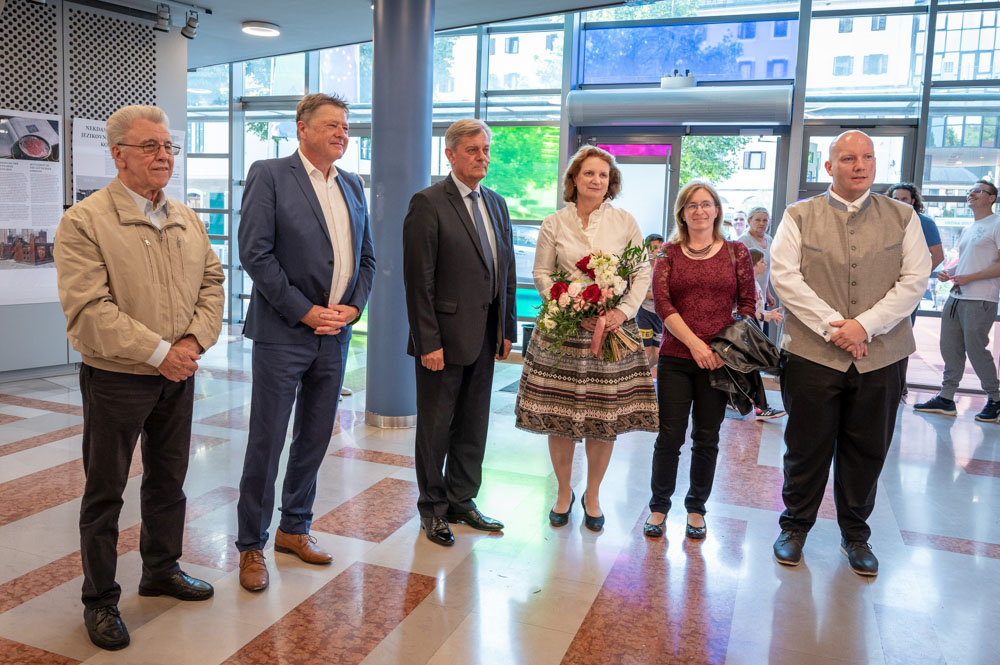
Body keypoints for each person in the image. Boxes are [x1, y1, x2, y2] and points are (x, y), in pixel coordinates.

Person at [53, 105, 224, 651]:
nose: (163, 155)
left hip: (179, 373)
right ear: (118, 154)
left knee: (169, 480)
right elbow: (89, 310)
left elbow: (213, 282)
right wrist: (159, 353)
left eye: (169, 145)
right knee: (105, 492)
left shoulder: (186, 218)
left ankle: (161, 569)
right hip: (117, 378)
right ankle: (100, 600)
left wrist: (192, 343)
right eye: (150, 146)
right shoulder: (84, 222)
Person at [770, 131, 929, 576]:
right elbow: (785, 278)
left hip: (882, 356)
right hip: (812, 354)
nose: (860, 166)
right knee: (805, 447)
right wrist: (835, 327)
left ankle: (855, 535)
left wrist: (866, 325)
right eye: (848, 158)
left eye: (868, 157)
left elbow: (915, 280)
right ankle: (794, 527)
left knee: (868, 448)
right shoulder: (798, 215)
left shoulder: (903, 217)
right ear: (829, 166)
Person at [235, 93, 376, 590]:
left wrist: (352, 309)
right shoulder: (271, 174)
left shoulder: (352, 184)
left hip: (335, 334)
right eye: (332, 125)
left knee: (314, 437)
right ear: (302, 128)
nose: (342, 134)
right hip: (284, 333)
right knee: (268, 440)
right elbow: (255, 253)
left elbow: (367, 258)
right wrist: (304, 310)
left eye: (346, 127)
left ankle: (294, 528)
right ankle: (250, 545)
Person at [516, 146, 657, 532]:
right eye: (589, 173)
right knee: (559, 419)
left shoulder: (625, 221)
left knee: (602, 419)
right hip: (562, 332)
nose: (596, 180)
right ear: (574, 179)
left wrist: (620, 313)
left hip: (610, 333)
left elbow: (641, 273)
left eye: (604, 175)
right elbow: (542, 273)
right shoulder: (554, 222)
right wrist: (568, 305)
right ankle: (563, 492)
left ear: (611, 183)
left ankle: (592, 494)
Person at [403, 119, 516, 547]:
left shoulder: (497, 203)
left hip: (485, 336)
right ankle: (432, 508)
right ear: (450, 155)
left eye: (486, 150)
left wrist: (506, 327)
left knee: (473, 423)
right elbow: (419, 281)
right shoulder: (428, 203)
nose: (482, 157)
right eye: (472, 150)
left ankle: (461, 499)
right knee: (435, 428)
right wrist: (428, 341)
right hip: (443, 340)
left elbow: (505, 269)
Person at [644, 180, 756, 540]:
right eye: (692, 205)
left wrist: (721, 349)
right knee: (669, 436)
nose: (700, 210)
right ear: (682, 213)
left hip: (719, 362)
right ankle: (659, 507)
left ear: (717, 210)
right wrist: (695, 345)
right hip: (677, 357)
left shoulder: (736, 252)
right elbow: (663, 305)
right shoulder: (668, 253)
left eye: (706, 204)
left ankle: (696, 508)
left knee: (707, 437)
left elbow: (747, 305)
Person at [914, 180, 1000, 421]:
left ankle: (996, 398)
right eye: (969, 191)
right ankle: (946, 398)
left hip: (980, 298)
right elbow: (967, 262)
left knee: (976, 350)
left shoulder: (997, 224)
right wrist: (950, 273)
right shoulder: (969, 228)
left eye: (977, 191)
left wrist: (970, 277)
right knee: (950, 348)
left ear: (991, 198)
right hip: (956, 296)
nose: (971, 194)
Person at [886, 182, 945, 401]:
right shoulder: (884, 221)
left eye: (904, 199)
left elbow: (938, 256)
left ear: (913, 201)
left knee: (901, 335)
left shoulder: (924, 223)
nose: (900, 202)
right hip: (882, 288)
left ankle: (900, 386)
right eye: (896, 198)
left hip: (906, 291)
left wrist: (915, 279)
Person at [749, 247, 785, 420]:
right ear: (753, 264)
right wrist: (767, 315)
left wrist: (767, 314)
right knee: (753, 369)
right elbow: (747, 311)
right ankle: (761, 407)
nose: (765, 264)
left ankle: (759, 406)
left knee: (751, 369)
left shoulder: (755, 283)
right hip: (750, 332)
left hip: (754, 330)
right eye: (762, 261)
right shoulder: (749, 284)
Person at [737, 207, 777, 315]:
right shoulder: (744, 240)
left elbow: (765, 269)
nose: (762, 223)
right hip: (748, 297)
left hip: (761, 295)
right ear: (749, 221)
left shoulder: (769, 239)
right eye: (758, 220)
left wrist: (767, 293)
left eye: (765, 220)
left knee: (763, 324)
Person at [637, 233, 665, 379]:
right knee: (646, 352)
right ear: (647, 249)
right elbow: (640, 293)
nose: (658, 250)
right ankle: (640, 379)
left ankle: (643, 377)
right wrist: (656, 294)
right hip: (645, 314)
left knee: (657, 354)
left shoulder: (664, 268)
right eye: (654, 247)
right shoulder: (643, 269)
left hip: (659, 315)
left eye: (661, 247)